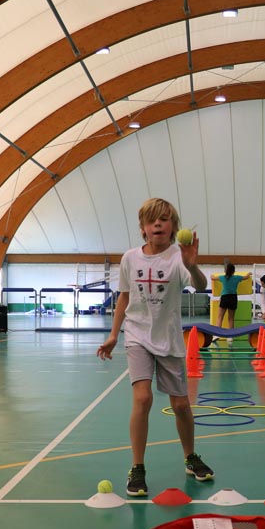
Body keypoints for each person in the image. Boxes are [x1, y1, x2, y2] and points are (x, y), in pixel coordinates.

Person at [97, 197, 213, 497]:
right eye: (151, 220)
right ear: (143, 228)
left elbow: (201, 286)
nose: (158, 224)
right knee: (143, 398)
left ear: (173, 226)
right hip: (137, 336)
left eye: (164, 219)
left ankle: (190, 457)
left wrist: (192, 266)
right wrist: (113, 335)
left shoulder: (178, 256)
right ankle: (137, 467)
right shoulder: (130, 258)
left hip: (169, 338)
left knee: (181, 405)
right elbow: (124, 297)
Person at [213, 263, 250, 330]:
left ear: (226, 270)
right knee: (231, 318)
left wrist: (212, 275)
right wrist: (249, 273)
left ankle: (217, 333)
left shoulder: (223, 277)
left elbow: (212, 278)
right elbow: (246, 277)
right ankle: (231, 334)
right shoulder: (237, 277)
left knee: (220, 317)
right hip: (233, 298)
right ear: (233, 271)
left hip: (225, 297)